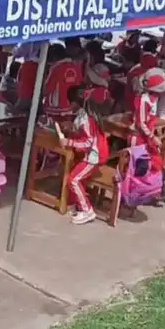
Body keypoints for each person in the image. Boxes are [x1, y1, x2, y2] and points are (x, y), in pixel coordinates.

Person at [57, 86, 110, 226]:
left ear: (77, 103)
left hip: (94, 156)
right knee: (75, 177)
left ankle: (88, 211)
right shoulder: (85, 115)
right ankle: (79, 206)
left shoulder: (86, 119)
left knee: (73, 180)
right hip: (93, 153)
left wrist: (68, 141)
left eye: (71, 103)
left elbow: (87, 142)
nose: (70, 106)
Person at [131, 68, 165, 172]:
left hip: (147, 134)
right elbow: (141, 123)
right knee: (138, 167)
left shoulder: (154, 98)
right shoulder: (143, 100)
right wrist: (153, 137)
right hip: (139, 137)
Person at [42, 43, 82, 119]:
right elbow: (79, 84)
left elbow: (46, 90)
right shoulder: (76, 66)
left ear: (54, 57)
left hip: (54, 111)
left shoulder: (55, 68)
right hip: (70, 109)